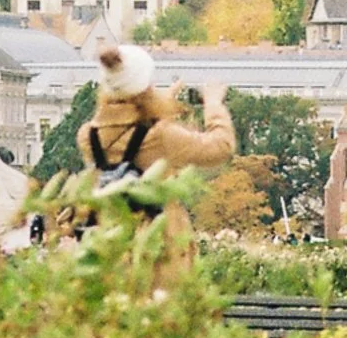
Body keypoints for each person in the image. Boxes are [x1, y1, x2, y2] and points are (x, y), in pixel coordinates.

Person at [74, 44, 234, 244]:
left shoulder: (88, 135)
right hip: (158, 249)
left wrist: (162, 103)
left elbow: (126, 130)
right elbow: (220, 147)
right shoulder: (161, 136)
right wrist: (213, 105)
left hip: (112, 247)